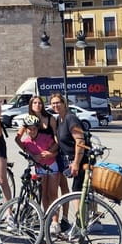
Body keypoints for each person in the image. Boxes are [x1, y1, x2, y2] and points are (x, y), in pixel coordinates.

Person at [14, 96, 60, 216]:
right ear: (30, 105)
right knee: (43, 193)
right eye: (34, 103)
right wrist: (29, 153)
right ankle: (45, 217)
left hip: (52, 155)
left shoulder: (50, 118)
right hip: (39, 161)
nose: (37, 105)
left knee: (55, 192)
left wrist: (52, 151)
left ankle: (59, 220)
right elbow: (18, 138)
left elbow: (56, 138)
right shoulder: (29, 120)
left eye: (40, 103)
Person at [50, 93, 88, 230]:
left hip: (81, 159)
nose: (55, 105)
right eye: (53, 103)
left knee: (77, 191)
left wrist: (77, 162)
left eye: (58, 103)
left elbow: (80, 141)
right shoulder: (60, 120)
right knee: (80, 191)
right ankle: (86, 220)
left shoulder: (70, 118)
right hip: (68, 160)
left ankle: (80, 225)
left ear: (64, 103)